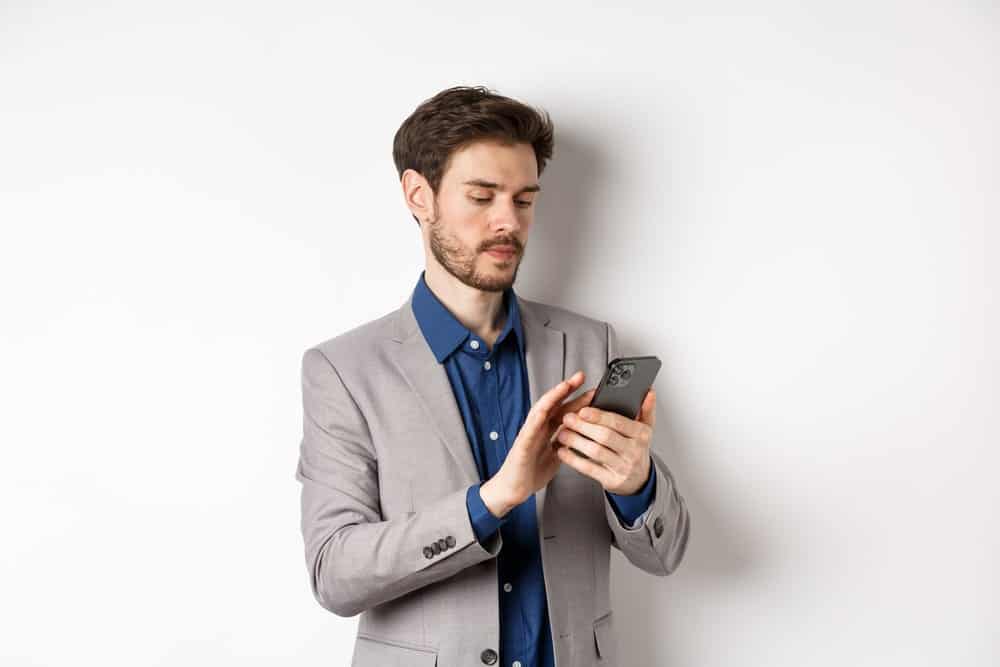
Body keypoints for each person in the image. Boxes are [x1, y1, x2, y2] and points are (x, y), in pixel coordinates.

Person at [295, 85, 690, 667]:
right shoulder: (344, 371)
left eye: (525, 200)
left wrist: (636, 484)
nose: (508, 222)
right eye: (482, 196)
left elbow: (666, 555)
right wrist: (493, 500)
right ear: (418, 195)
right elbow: (335, 574)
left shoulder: (590, 343)